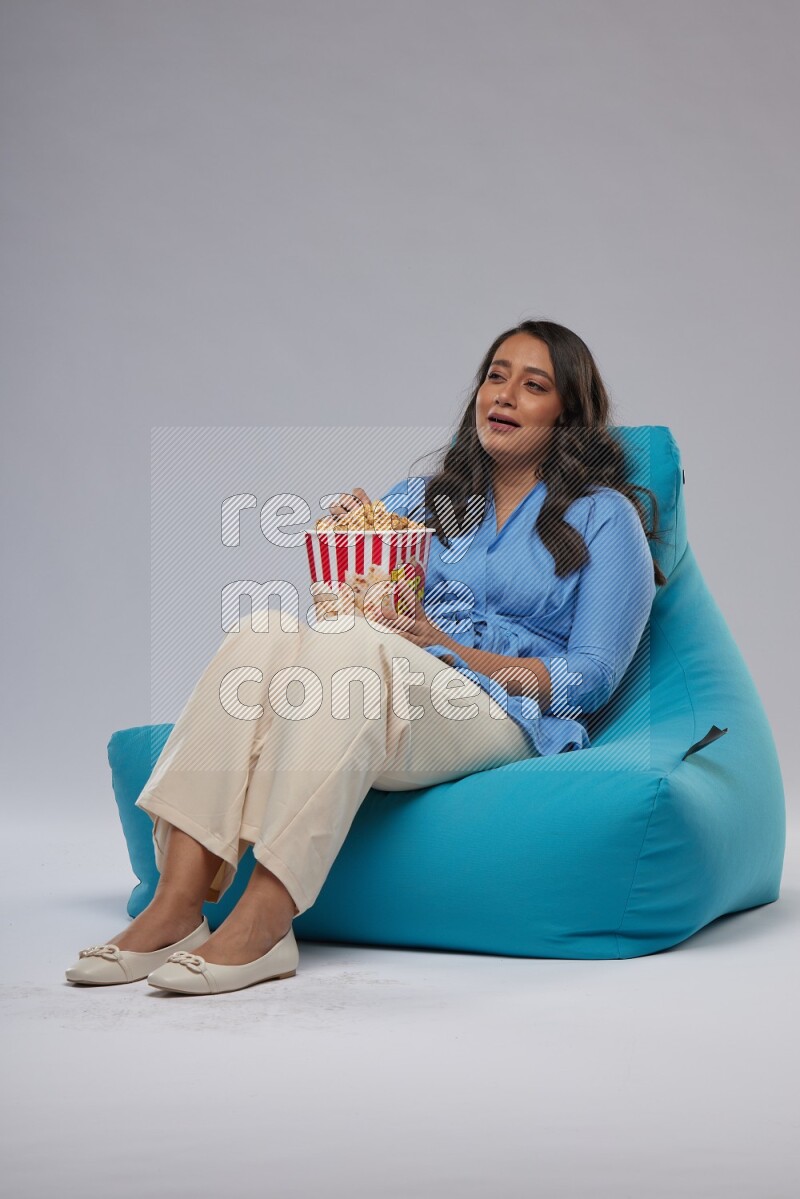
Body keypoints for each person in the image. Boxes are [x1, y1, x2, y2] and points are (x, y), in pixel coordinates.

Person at [65, 319, 665, 994]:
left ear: (568, 413)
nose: (505, 394)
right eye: (496, 375)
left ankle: (268, 915)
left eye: (534, 385)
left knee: (349, 644)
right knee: (263, 626)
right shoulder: (420, 501)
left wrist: (447, 646)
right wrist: (352, 540)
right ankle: (175, 905)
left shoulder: (604, 517)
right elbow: (345, 621)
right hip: (383, 688)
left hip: (505, 714)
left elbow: (590, 677)